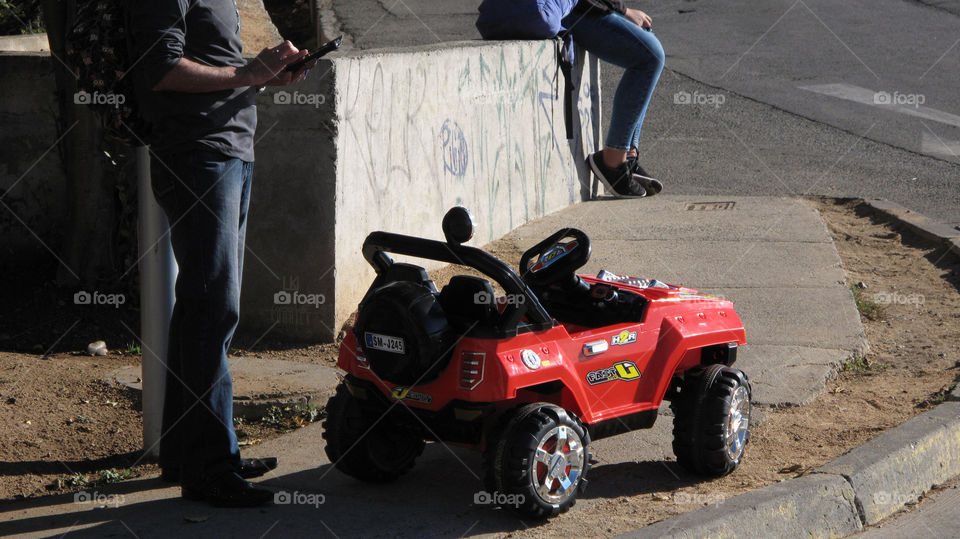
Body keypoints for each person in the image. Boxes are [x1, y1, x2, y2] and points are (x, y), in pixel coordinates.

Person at [129, 1, 314, 507]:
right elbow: (161, 67)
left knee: (197, 307)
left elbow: (215, 66)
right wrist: (248, 70)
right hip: (198, 155)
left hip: (228, 150)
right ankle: (211, 467)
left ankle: (190, 453)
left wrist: (262, 77)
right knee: (213, 307)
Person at [564, 0, 665, 198]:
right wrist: (624, 11)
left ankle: (628, 152)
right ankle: (612, 161)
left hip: (580, 8)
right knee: (650, 55)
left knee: (646, 36)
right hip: (566, 10)